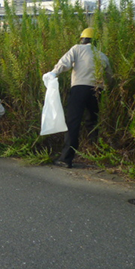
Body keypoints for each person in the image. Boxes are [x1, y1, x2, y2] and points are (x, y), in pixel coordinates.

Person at [43, 27, 112, 168]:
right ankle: (97, 155)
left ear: (82, 39)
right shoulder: (102, 55)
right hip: (97, 91)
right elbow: (110, 77)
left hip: (79, 89)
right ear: (96, 41)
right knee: (93, 122)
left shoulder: (77, 49)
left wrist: (53, 73)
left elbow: (65, 63)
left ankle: (66, 158)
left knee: (73, 123)